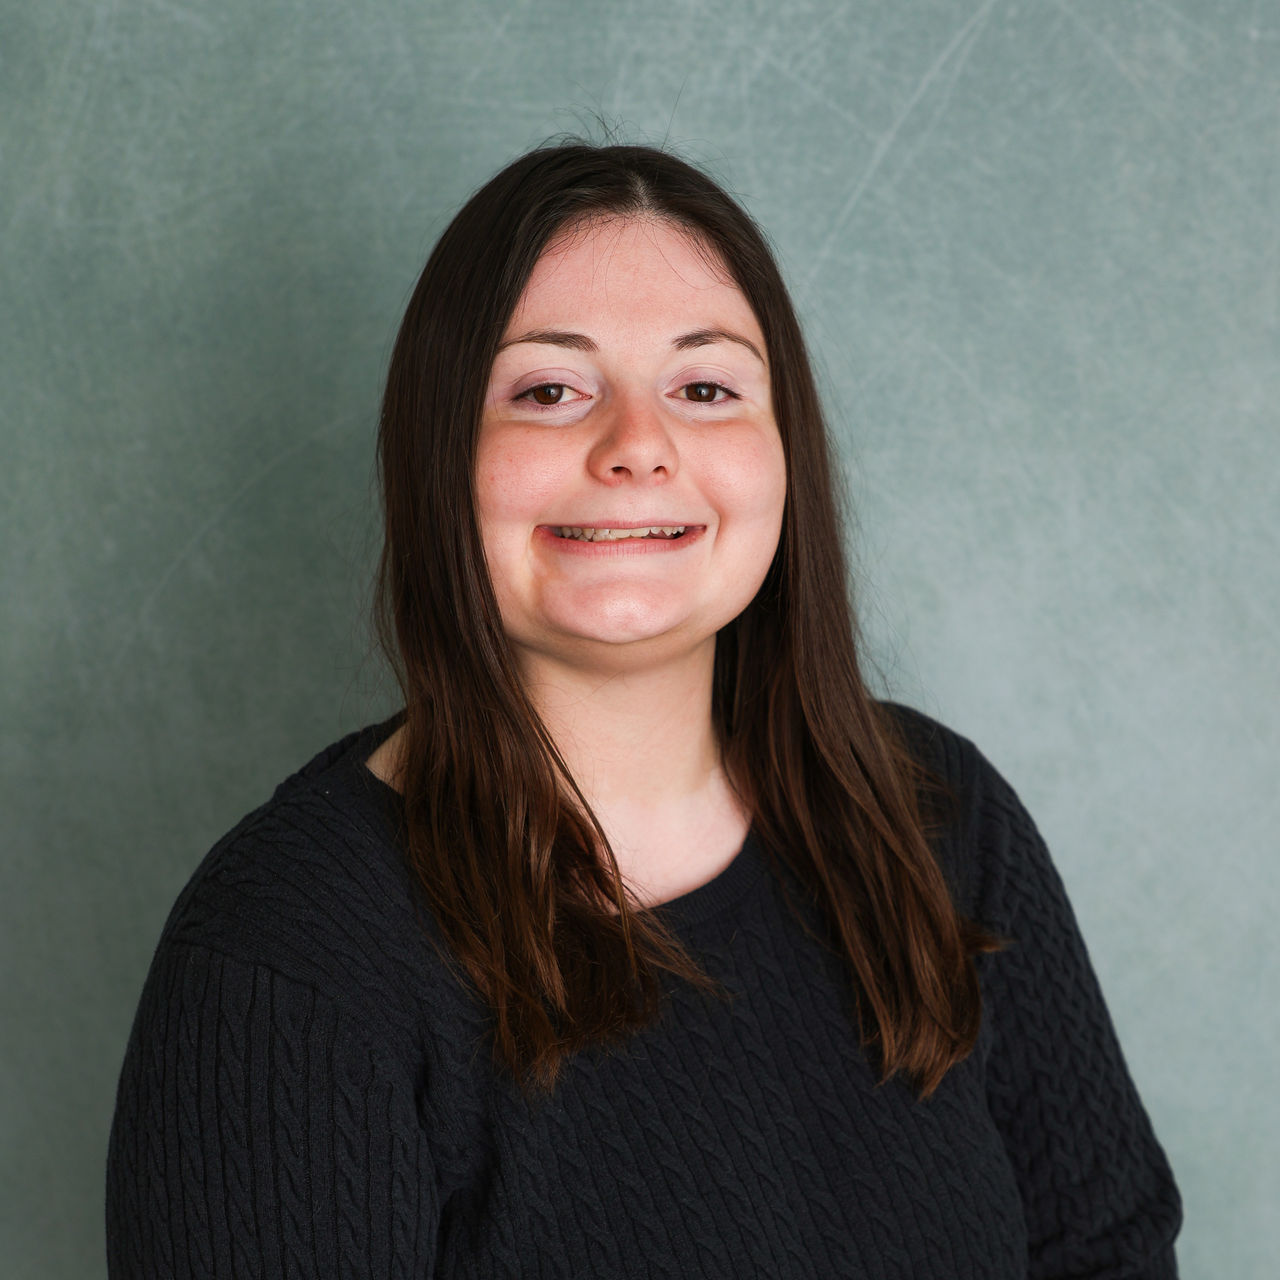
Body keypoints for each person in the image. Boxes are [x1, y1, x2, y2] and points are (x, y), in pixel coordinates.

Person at [106, 143, 1182, 1277]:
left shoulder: (937, 816)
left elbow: (1109, 1254)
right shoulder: (282, 954)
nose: (636, 447)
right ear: (438, 454)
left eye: (704, 388)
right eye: (548, 390)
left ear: (785, 454)